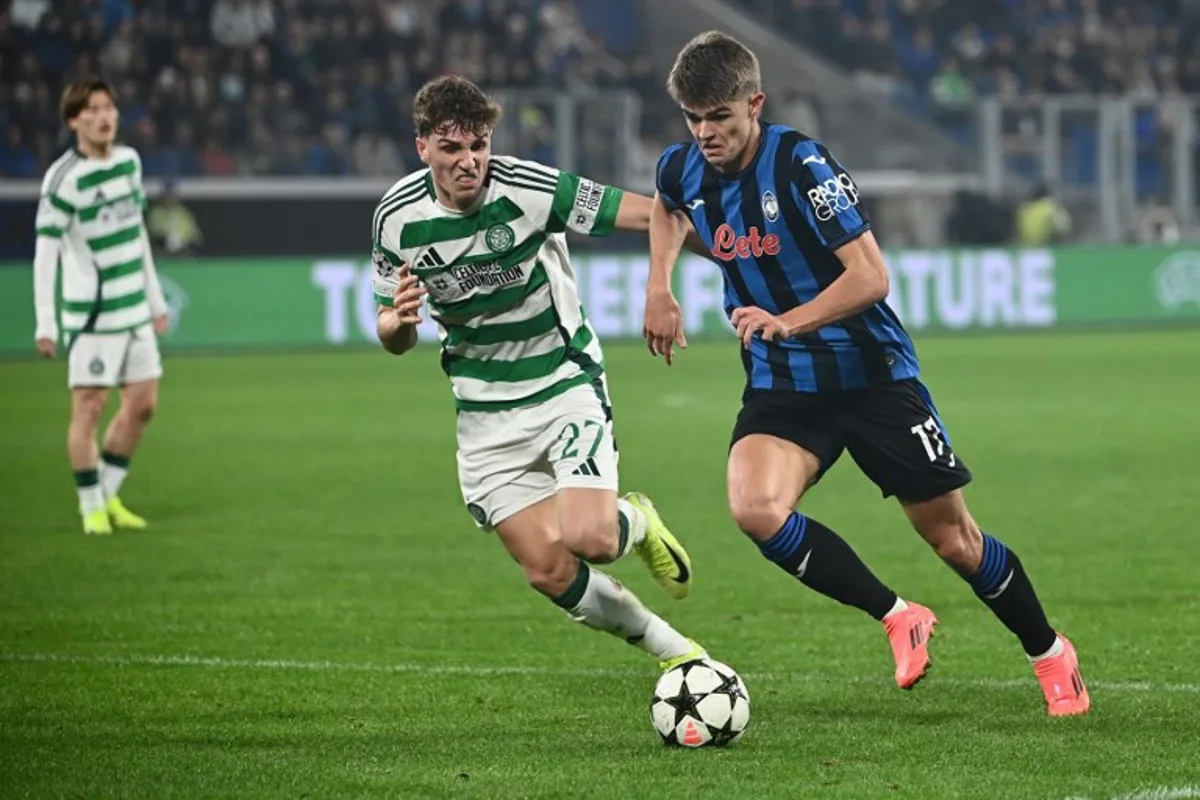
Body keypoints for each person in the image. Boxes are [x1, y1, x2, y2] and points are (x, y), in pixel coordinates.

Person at [642, 31, 1089, 716]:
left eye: (720, 117)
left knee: (953, 541)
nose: (705, 133)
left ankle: (1049, 652)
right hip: (785, 384)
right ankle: (896, 615)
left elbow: (872, 276)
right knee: (755, 509)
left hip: (871, 375)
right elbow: (667, 208)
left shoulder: (802, 165)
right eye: (694, 118)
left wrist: (790, 320)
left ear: (754, 103)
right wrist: (659, 287)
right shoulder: (683, 169)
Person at [371, 75, 710, 673]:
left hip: (563, 384)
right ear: (422, 146)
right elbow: (391, 334)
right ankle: (676, 653)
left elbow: (659, 212)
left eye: (479, 145)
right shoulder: (395, 220)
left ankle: (633, 520)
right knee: (547, 569)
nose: (469, 161)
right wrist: (399, 322)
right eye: (452, 149)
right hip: (482, 414)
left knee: (592, 540)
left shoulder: (530, 187)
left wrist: (666, 283)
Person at [33, 78, 169, 536]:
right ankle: (90, 505)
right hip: (92, 316)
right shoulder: (63, 179)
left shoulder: (130, 164)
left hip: (134, 310)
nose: (105, 116)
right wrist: (46, 321)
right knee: (89, 408)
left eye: (109, 107)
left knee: (144, 405)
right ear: (74, 120)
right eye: (93, 109)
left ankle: (108, 493)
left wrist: (154, 299)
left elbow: (136, 237)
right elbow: (46, 253)